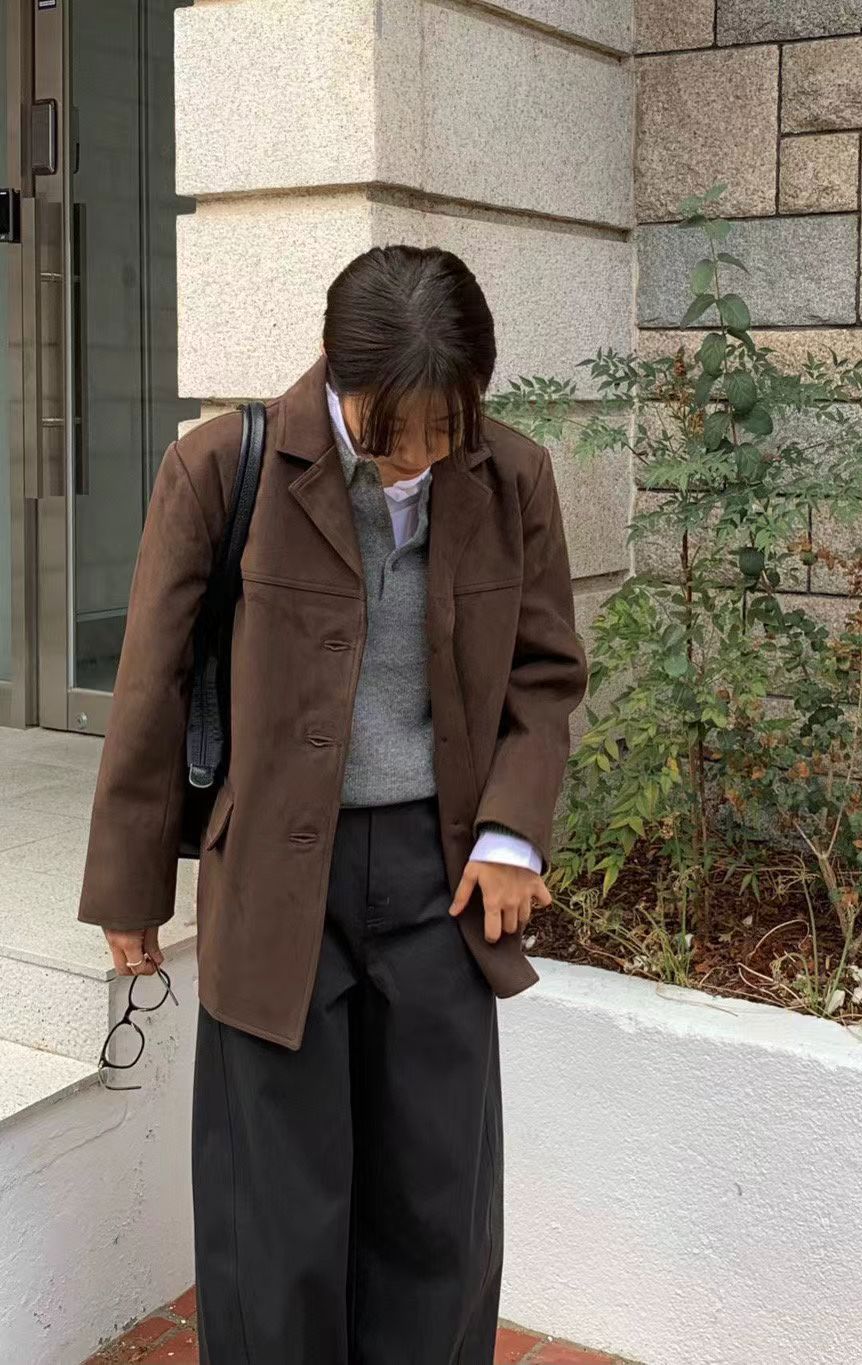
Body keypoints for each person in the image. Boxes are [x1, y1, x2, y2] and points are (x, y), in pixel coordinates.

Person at [75, 243, 589, 1364]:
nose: (420, 458)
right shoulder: (223, 468)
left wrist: (512, 832)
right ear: (334, 370)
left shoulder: (511, 475)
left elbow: (546, 673)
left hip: (441, 875)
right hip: (272, 876)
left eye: (446, 427)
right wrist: (129, 888)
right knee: (276, 1210)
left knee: (436, 1201)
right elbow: (153, 682)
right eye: (393, 430)